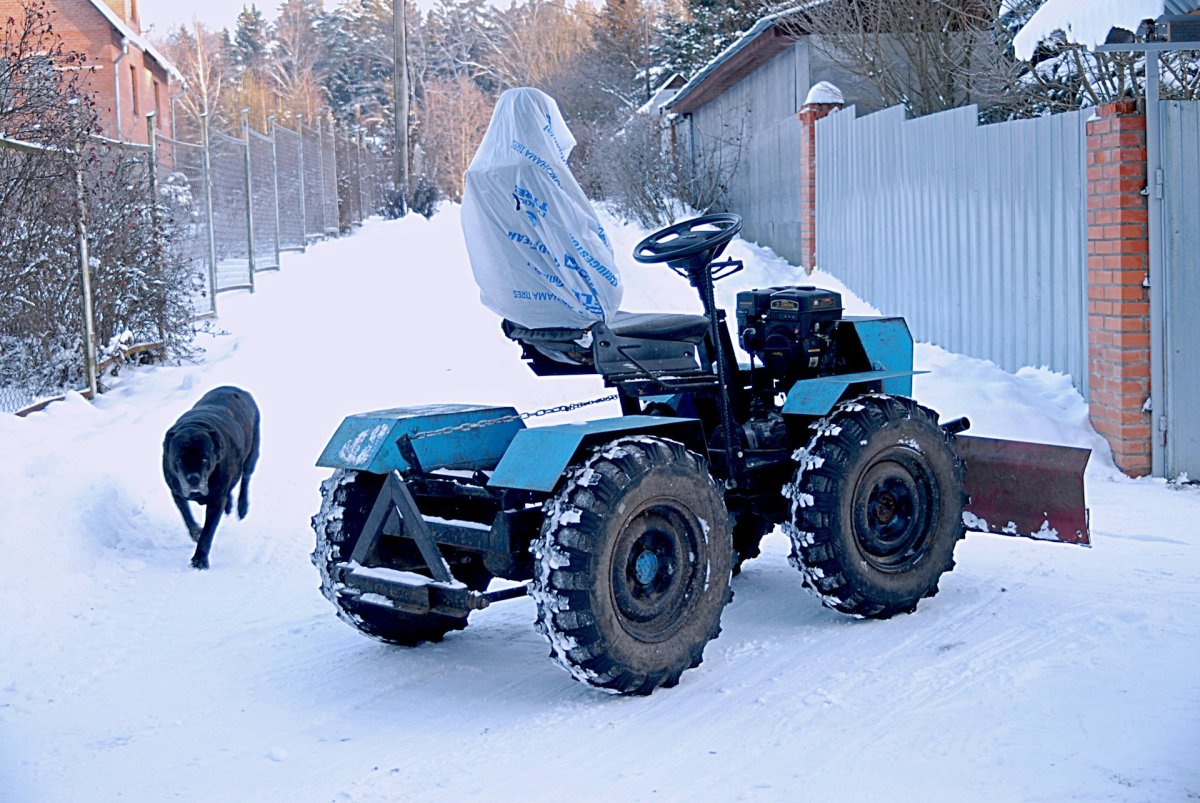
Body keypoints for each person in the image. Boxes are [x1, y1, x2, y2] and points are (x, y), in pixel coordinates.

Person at [461, 87, 623, 330]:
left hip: (516, 305)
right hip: (571, 309)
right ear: (544, 120)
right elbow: (570, 232)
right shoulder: (538, 171)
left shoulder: (480, 174)